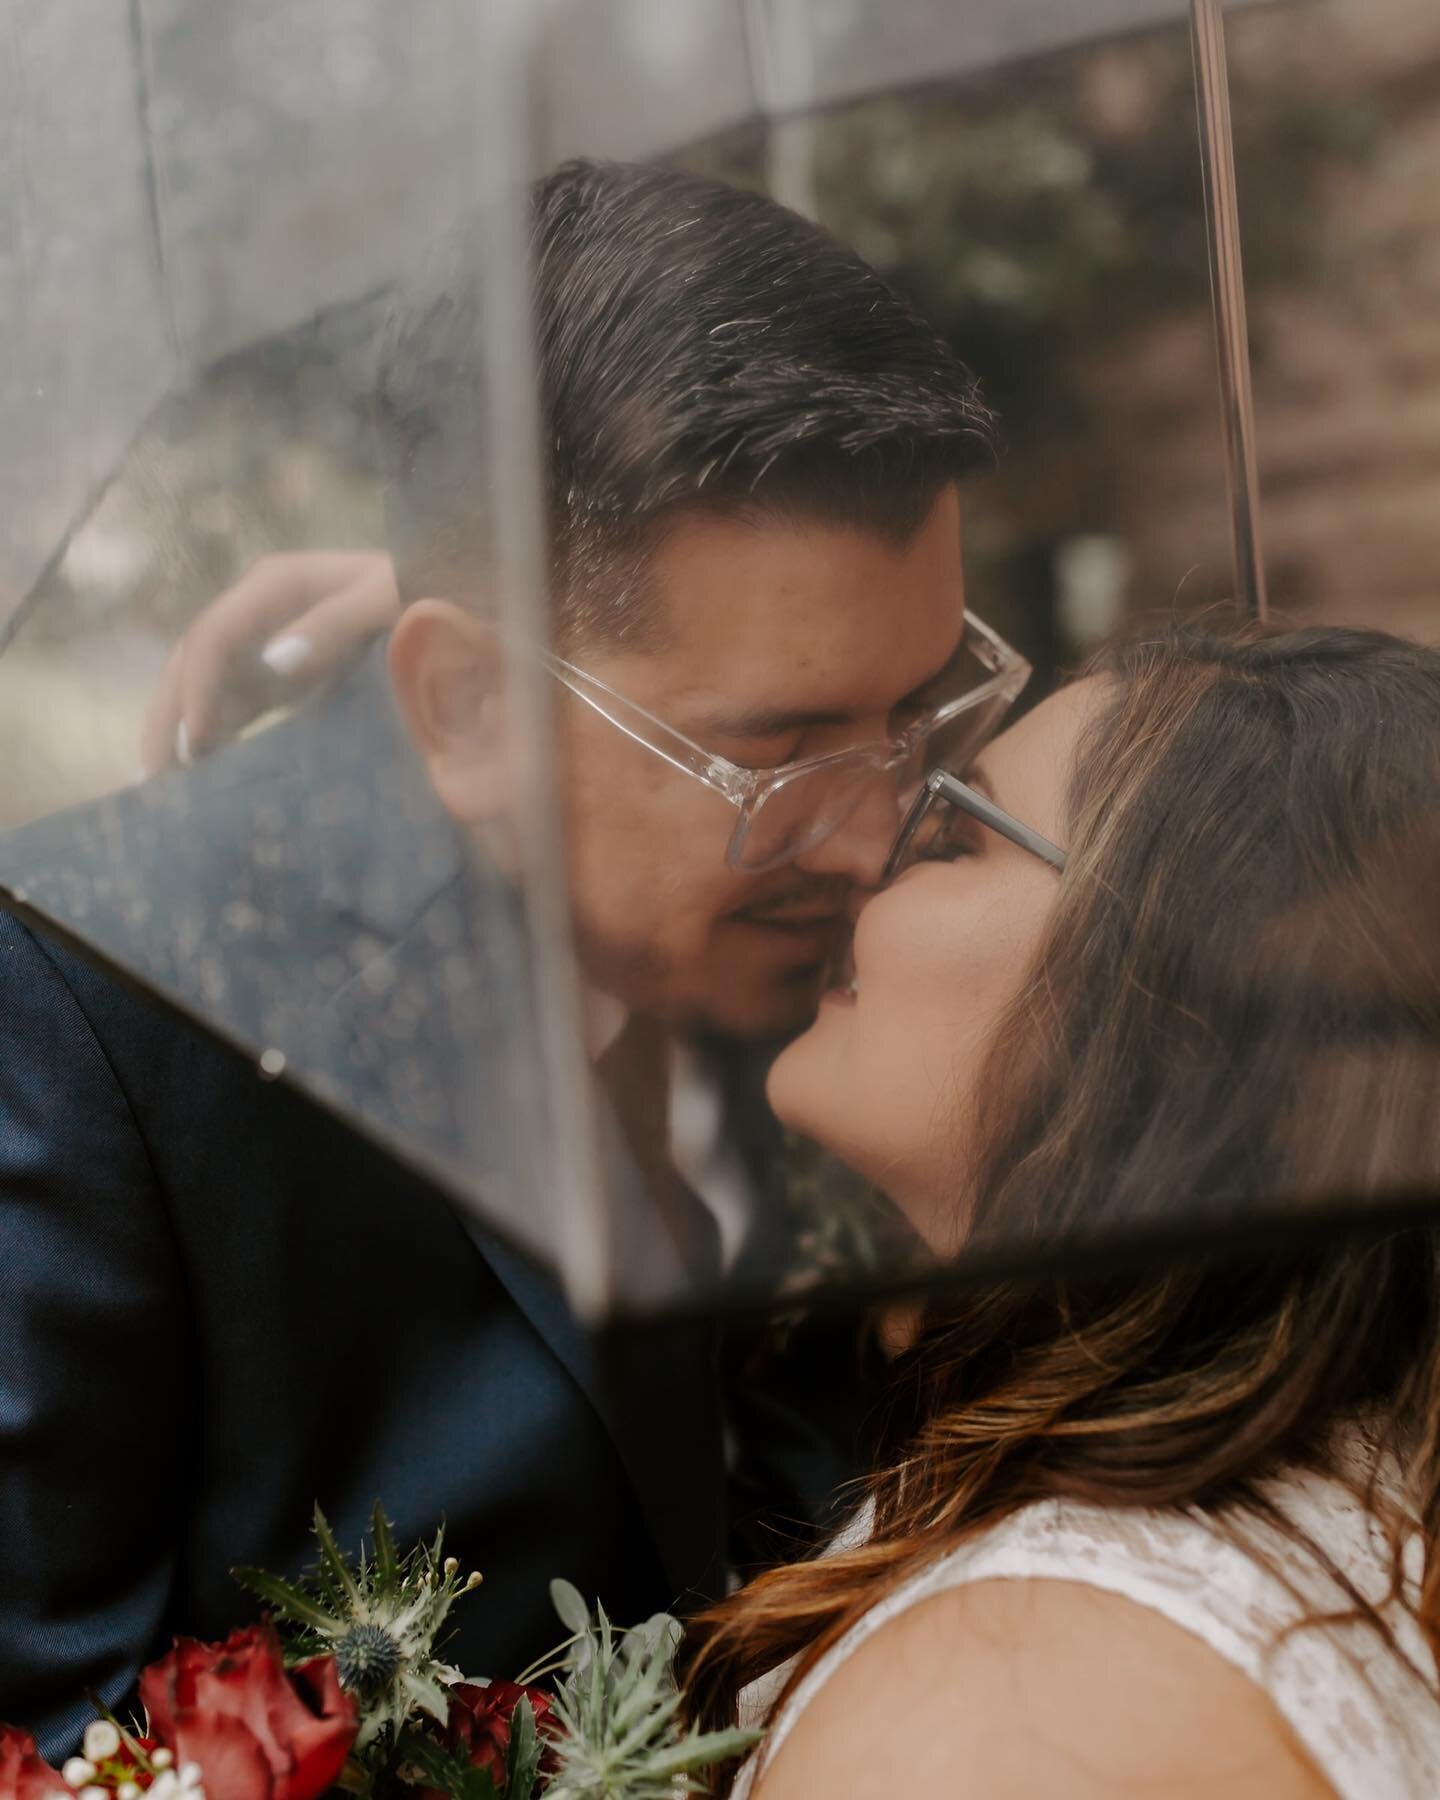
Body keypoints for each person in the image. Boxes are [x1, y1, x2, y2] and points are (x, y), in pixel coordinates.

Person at [0, 160, 1003, 1755]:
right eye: (780, 752)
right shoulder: (90, 1010)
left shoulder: (850, 891)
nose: (878, 835)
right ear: (461, 706)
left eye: (927, 708)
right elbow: (51, 1740)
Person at [674, 620, 1440, 1799]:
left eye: (950, 829)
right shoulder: (1339, 1487)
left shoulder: (1012, 1723)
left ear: (1176, 1015)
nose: (861, 854)